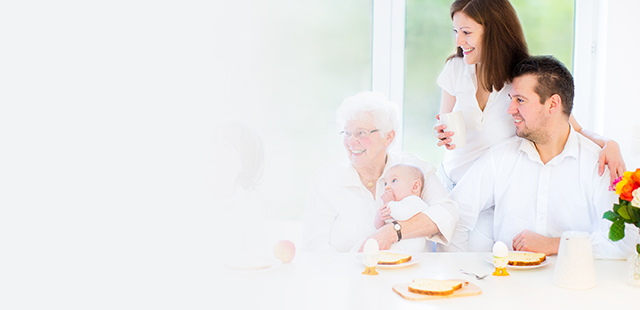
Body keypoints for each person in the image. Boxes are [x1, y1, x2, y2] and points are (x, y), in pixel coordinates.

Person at [433, 0, 625, 251]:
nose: (459, 40)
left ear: (493, 31)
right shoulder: (456, 68)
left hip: (493, 193)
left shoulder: (521, 80)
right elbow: (443, 120)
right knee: (444, 241)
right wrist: (442, 134)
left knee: (487, 253)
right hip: (451, 181)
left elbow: (570, 126)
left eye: (467, 32)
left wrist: (608, 143)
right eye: (455, 31)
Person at [446, 55, 638, 258]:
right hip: (508, 284)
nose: (510, 110)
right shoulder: (499, 158)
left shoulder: (598, 164)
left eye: (520, 100)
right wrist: (460, 269)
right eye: (511, 99)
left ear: (553, 104)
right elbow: (453, 217)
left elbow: (623, 242)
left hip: (575, 285)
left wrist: (556, 244)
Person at [302, 92, 458, 252]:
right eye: (347, 133)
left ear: (388, 137)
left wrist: (394, 231)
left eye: (361, 133)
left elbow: (447, 212)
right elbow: (314, 247)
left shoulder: (414, 169)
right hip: (351, 275)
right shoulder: (325, 180)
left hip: (411, 275)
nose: (350, 141)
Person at [374, 163, 429, 252]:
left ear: (415, 186)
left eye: (394, 181)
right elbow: (380, 229)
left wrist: (388, 202)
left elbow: (402, 214)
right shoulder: (395, 206)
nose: (387, 187)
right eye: (385, 183)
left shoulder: (415, 201)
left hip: (408, 247)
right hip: (397, 245)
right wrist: (379, 218)